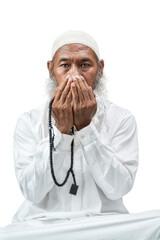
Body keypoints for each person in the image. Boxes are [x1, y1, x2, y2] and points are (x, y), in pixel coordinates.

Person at [0, 30, 160, 240]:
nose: (74, 75)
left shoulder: (121, 118)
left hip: (104, 225)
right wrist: (61, 132)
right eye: (65, 65)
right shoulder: (29, 121)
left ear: (100, 68)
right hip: (42, 225)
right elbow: (33, 192)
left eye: (85, 65)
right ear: (51, 69)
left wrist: (86, 129)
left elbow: (118, 188)